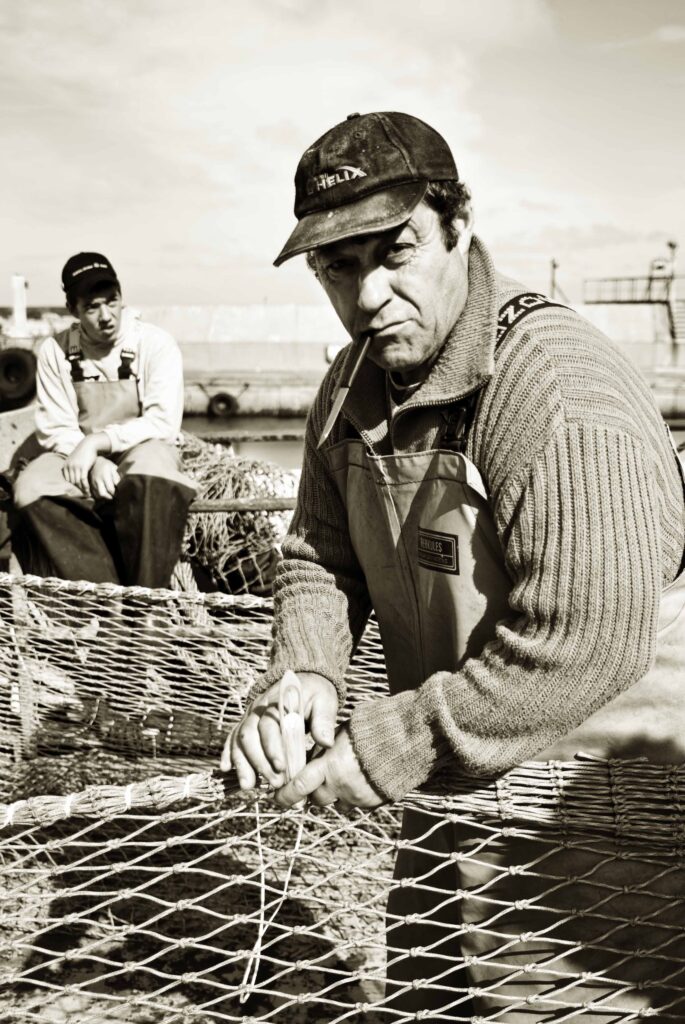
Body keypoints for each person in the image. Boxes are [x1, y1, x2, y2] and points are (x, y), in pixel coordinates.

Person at [221, 112, 685, 1017]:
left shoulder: (553, 391)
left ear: (458, 226)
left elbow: (583, 644)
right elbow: (320, 552)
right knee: (431, 995)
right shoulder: (351, 384)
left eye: (394, 253)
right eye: (338, 268)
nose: (366, 298)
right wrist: (303, 675)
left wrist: (390, 744)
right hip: (452, 775)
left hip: (598, 813)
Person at [11, 252, 196, 588]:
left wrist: (97, 442)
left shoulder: (154, 344)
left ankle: (146, 604)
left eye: (112, 302)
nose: (106, 316)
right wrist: (92, 461)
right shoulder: (56, 351)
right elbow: (56, 427)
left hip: (142, 446)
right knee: (30, 489)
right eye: (92, 307)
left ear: (122, 297)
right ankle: (103, 596)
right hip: (76, 452)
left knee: (152, 477)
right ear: (73, 311)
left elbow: (162, 422)